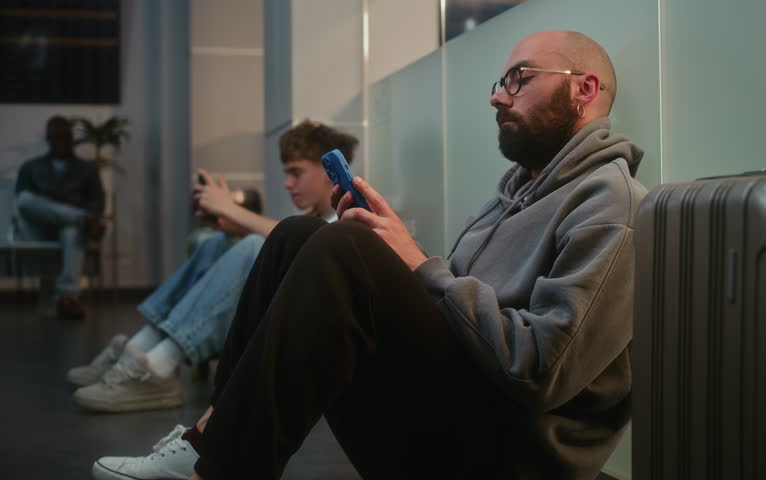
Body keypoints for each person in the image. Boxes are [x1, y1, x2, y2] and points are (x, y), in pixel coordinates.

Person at [92, 30, 646, 480]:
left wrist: (414, 262)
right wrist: (399, 247)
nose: (498, 95)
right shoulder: (512, 193)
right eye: (501, 81)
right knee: (295, 236)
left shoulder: (610, 203)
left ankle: (219, 472)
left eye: (520, 79)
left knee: (345, 243)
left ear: (584, 88)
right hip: (467, 417)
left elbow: (542, 371)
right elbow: (454, 308)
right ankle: (208, 444)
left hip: (516, 452)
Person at [69, 120, 359, 414]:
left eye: (296, 172)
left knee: (252, 247)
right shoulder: (314, 215)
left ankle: (158, 368)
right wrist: (231, 223)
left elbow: (311, 243)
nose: (287, 183)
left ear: (328, 172)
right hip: (282, 307)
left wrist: (233, 211)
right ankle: (138, 350)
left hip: (311, 326)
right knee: (214, 241)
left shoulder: (350, 217)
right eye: (286, 173)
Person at [15, 115, 106, 320]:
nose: (61, 142)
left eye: (65, 137)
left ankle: (67, 297)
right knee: (25, 200)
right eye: (56, 138)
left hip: (69, 232)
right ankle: (80, 218)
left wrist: (76, 204)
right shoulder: (31, 167)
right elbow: (24, 202)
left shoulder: (88, 170)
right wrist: (53, 203)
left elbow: (98, 204)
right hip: (38, 229)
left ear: (71, 139)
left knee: (71, 229)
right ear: (48, 139)